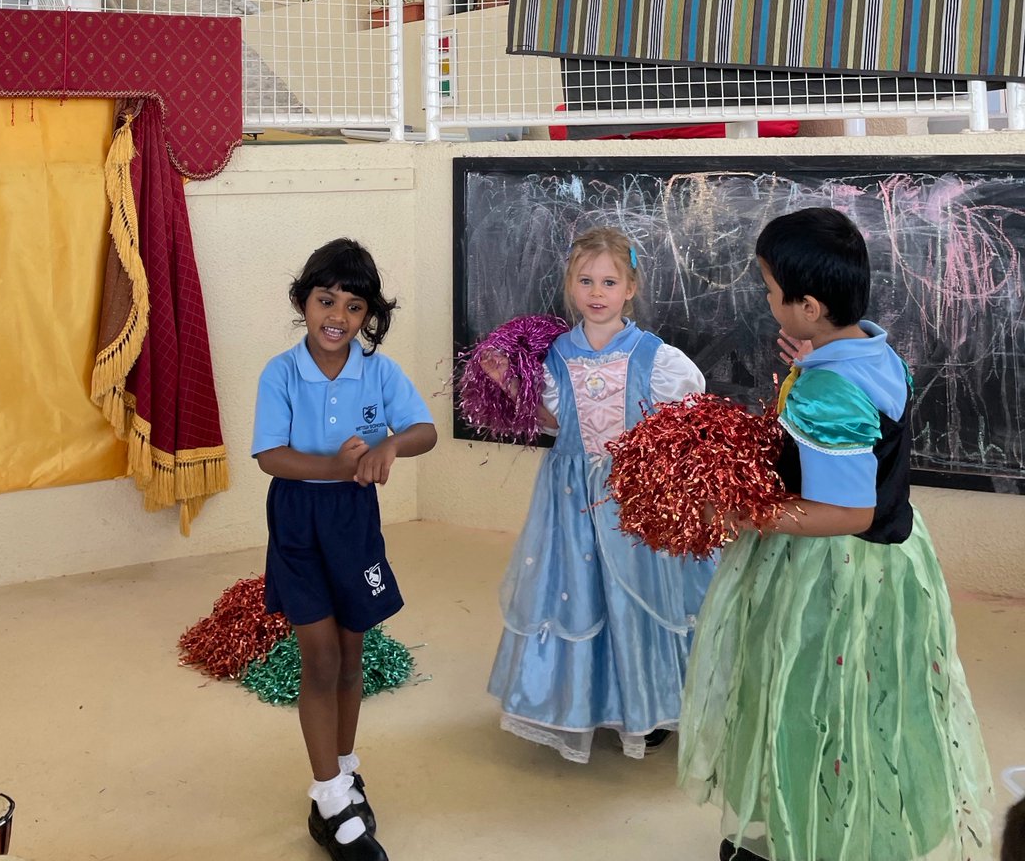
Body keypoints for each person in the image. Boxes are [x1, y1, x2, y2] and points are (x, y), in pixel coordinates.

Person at [678, 207, 994, 861]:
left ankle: (809, 836)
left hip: (832, 573)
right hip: (893, 560)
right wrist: (812, 361)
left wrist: (747, 513)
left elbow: (845, 511)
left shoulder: (828, 392)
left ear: (810, 306)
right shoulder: (876, 351)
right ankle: (846, 824)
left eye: (770, 291)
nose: (765, 301)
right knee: (868, 697)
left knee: (807, 693)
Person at [482, 225, 716, 762]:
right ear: (570, 284)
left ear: (629, 288)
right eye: (585, 280)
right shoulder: (557, 355)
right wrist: (510, 385)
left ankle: (646, 702)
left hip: (631, 497)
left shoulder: (655, 357)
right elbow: (552, 420)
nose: (596, 292)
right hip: (569, 499)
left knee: (637, 592)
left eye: (609, 281)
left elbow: (687, 409)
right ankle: (582, 698)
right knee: (578, 592)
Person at [252, 239, 437, 861]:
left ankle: (342, 774)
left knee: (354, 653)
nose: (338, 315)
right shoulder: (280, 372)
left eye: (354, 306)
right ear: (303, 301)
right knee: (322, 659)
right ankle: (330, 793)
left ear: (368, 317)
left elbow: (425, 430)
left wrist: (391, 448)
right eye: (325, 299)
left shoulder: (379, 372)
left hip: (354, 524)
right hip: (299, 523)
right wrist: (334, 467)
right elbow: (270, 456)